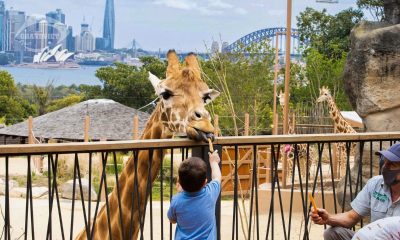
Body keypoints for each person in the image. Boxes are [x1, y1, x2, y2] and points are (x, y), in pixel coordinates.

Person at [311, 143, 400, 240]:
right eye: (385, 162)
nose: (385, 167)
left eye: (392, 164)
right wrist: (328, 218)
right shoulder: (375, 184)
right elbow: (351, 217)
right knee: (332, 233)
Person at [167, 150, 221, 240]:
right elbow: (217, 177)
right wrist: (214, 162)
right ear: (205, 182)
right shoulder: (210, 193)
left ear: (179, 182)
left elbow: (172, 220)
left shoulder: (176, 200)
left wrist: (179, 193)